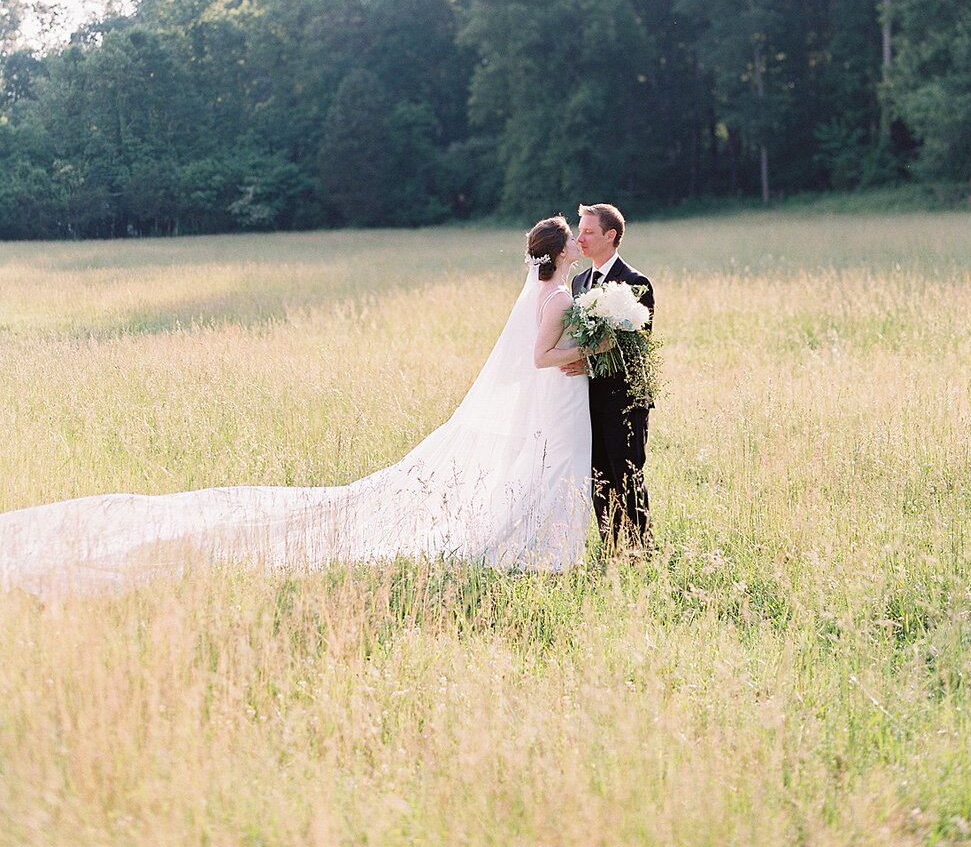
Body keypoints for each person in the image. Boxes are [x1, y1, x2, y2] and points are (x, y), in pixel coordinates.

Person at [0, 217, 596, 599]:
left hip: (554, 399)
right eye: (572, 233)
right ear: (558, 250)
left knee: (543, 467)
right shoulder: (557, 294)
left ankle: (556, 543)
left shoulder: (552, 289)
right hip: (557, 388)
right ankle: (548, 549)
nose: (578, 236)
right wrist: (590, 347)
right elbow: (541, 355)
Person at [564, 202, 655, 553]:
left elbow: (637, 349)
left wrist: (589, 364)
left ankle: (642, 553)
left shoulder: (636, 283)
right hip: (586, 402)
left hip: (625, 400)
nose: (579, 237)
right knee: (598, 479)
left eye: (588, 231)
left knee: (627, 475)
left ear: (610, 235)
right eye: (579, 230)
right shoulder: (579, 282)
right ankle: (612, 550)